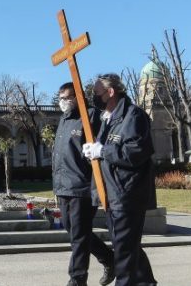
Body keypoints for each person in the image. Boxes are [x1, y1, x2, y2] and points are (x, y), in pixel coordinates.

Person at [83, 74, 157, 286]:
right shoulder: (107, 121)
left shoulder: (133, 116)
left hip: (127, 193)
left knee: (123, 250)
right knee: (126, 245)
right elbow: (107, 156)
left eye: (97, 93)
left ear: (111, 92)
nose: (94, 98)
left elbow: (136, 152)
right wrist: (92, 154)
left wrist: (102, 150)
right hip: (112, 193)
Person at [52, 82, 115, 286]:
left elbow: (103, 144)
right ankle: (109, 259)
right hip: (63, 187)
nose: (63, 102)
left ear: (78, 97)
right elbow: (60, 155)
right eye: (60, 98)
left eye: (67, 97)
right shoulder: (63, 120)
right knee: (76, 232)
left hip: (82, 187)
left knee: (79, 237)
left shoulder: (91, 117)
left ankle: (77, 280)